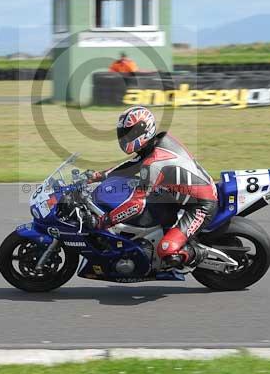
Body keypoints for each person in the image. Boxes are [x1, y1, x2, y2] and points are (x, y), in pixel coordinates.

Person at [86, 106, 218, 268]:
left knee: (166, 249)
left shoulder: (153, 164)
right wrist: (98, 176)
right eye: (123, 133)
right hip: (175, 196)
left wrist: (105, 221)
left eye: (129, 133)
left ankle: (197, 253)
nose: (124, 137)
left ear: (142, 131)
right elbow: (131, 166)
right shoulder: (157, 143)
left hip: (200, 205)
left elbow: (136, 205)